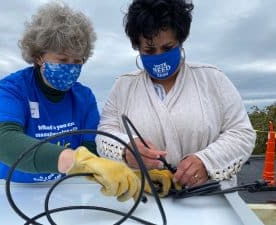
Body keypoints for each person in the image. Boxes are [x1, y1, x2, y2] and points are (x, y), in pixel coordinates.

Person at [96, 0, 256, 196]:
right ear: (137, 48)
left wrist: (207, 162)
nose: (159, 56)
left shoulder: (213, 79)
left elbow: (242, 133)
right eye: (149, 50)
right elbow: (104, 134)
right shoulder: (123, 87)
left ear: (181, 41)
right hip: (144, 200)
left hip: (210, 198)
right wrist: (125, 150)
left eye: (167, 47)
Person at [0, 2, 140, 202]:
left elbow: (94, 151)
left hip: (63, 193)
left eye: (78, 61)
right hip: (12, 192)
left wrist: (132, 174)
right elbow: (3, 140)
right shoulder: (13, 88)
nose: (71, 67)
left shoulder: (84, 97)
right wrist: (74, 160)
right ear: (39, 56)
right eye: (63, 59)